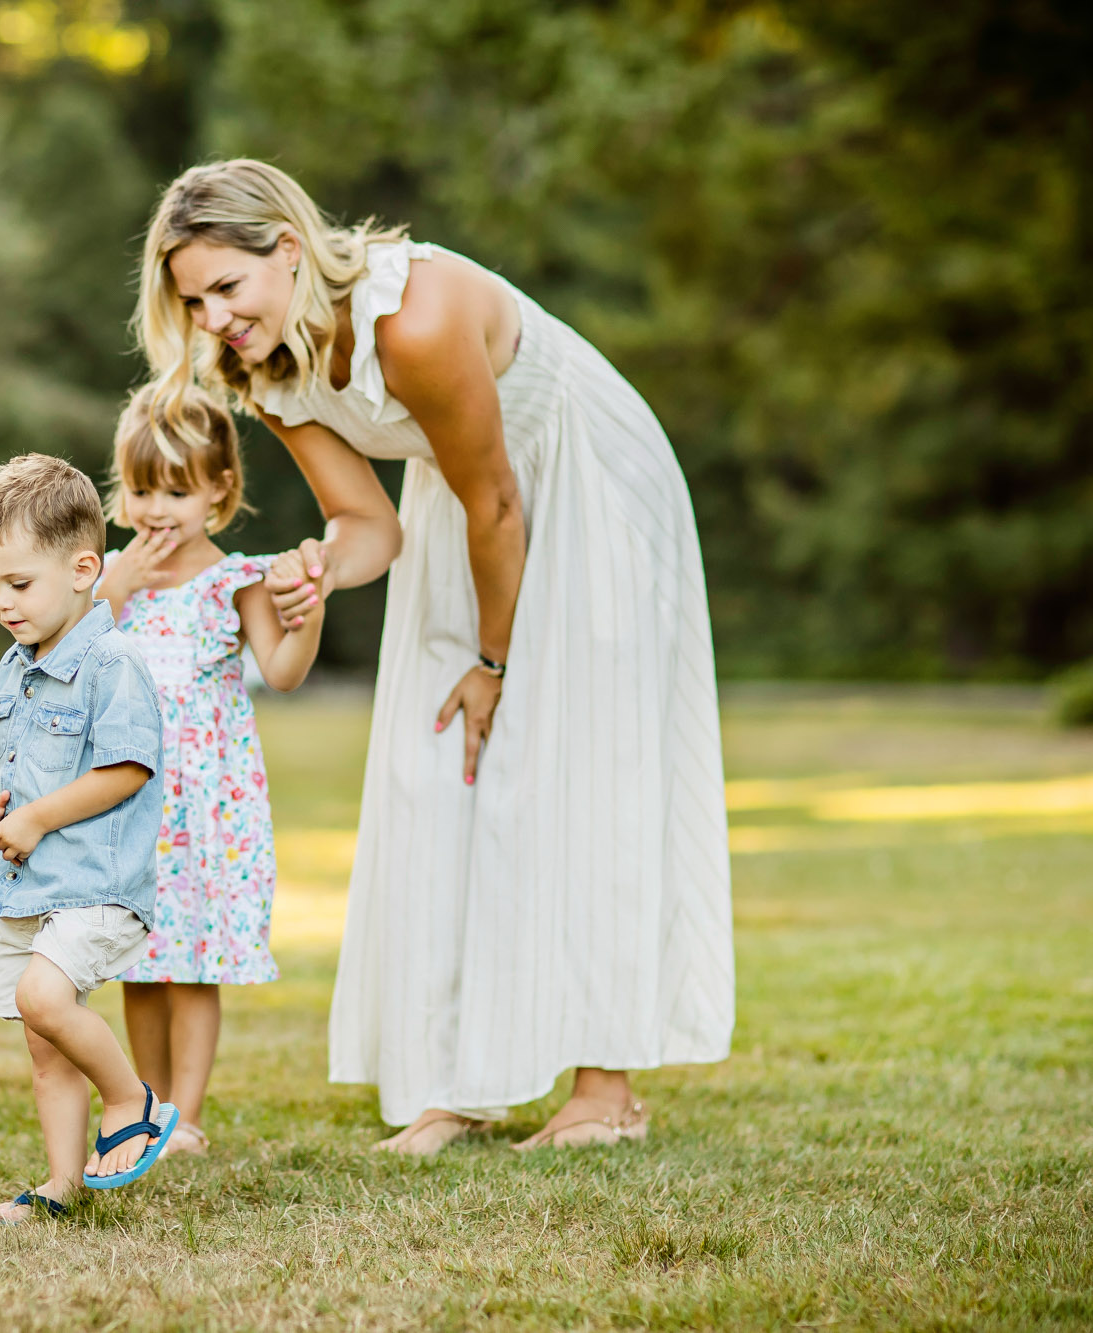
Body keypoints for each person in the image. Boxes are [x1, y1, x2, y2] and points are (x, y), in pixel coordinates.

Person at [134, 160, 734, 1154]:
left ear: (287, 249)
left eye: (226, 289)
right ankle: (462, 1079)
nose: (212, 319)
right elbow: (366, 521)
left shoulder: (410, 318)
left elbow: (497, 497)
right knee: (432, 769)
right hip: (456, 509)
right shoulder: (266, 365)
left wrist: (494, 664)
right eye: (192, 301)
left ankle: (605, 1091)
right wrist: (316, 569)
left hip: (579, 483)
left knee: (571, 769)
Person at [92, 386, 326, 1156]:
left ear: (219, 489)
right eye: (142, 488)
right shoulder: (111, 583)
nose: (157, 508)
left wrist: (309, 611)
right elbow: (70, 662)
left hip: (206, 801)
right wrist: (110, 592)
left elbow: (283, 671)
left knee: (192, 960)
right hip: (131, 798)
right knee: (140, 958)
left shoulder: (235, 581)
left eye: (178, 490)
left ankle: (184, 1115)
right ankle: (146, 1102)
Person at [0, 456, 181, 1224]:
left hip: (95, 882)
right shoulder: (17, 664)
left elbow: (125, 768)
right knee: (43, 1038)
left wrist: (37, 817)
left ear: (85, 566)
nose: (2, 603)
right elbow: (9, 747)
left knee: (41, 995)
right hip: (35, 884)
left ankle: (133, 1099)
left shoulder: (111, 663)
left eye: (18, 584)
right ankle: (61, 1183)